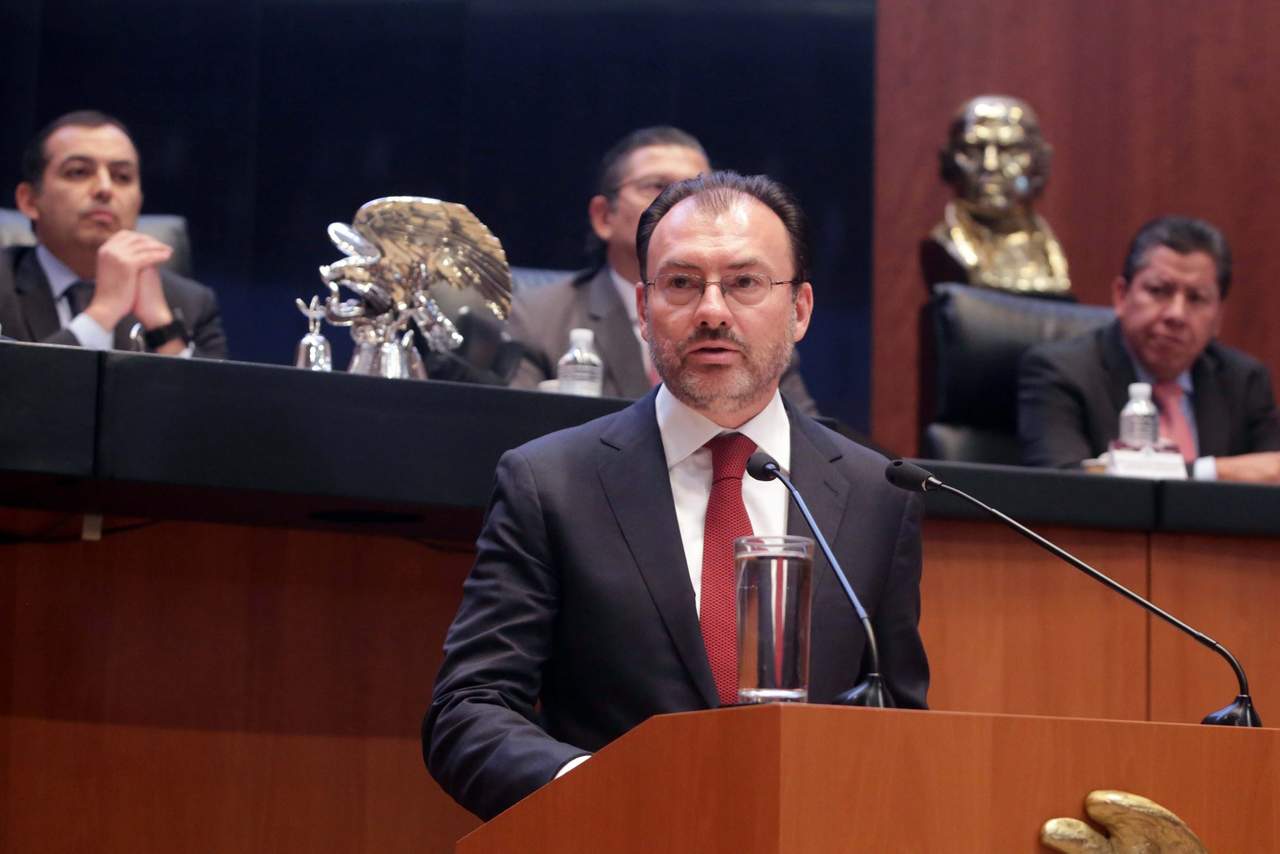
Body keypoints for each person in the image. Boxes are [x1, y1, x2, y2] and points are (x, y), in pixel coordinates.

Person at [424, 171, 928, 820]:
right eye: (682, 283)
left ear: (800, 310)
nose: (712, 311)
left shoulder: (875, 495)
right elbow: (469, 709)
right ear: (643, 309)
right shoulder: (551, 483)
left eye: (745, 283)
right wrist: (597, 790)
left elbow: (900, 723)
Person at [505, 125, 818, 413]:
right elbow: (515, 432)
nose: (682, 202)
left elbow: (809, 441)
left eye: (700, 189)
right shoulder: (538, 318)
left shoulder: (758, 328)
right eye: (656, 185)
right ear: (603, 216)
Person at [1018, 215, 1280, 481]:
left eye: (1196, 298)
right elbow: (1062, 485)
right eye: (1159, 290)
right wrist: (1210, 471)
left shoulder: (1244, 381)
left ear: (1218, 317)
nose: (1176, 314)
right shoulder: (1062, 373)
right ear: (1121, 295)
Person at [0, 110, 226, 357]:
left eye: (122, 177)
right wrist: (102, 313)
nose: (105, 189)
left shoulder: (192, 304)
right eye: (78, 172)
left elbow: (210, 385)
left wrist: (163, 329)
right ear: (29, 200)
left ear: (139, 202)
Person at [921, 95, 1071, 297]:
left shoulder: (1049, 250)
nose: (990, 165)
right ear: (948, 160)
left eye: (1009, 150)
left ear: (1039, 161)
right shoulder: (943, 246)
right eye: (973, 150)